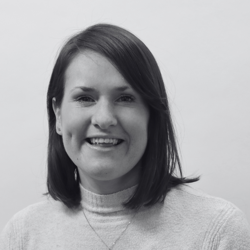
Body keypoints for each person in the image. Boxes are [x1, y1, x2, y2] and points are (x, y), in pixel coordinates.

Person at [1, 23, 250, 250]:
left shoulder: (219, 231)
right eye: (85, 98)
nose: (104, 118)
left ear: (151, 115)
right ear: (58, 114)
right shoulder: (23, 235)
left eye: (125, 98)